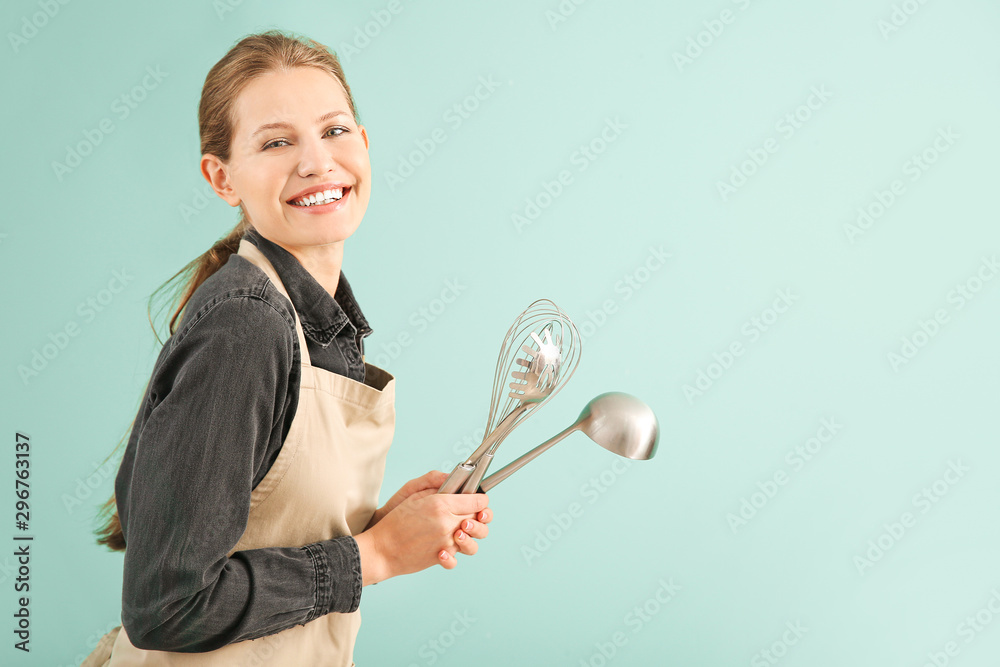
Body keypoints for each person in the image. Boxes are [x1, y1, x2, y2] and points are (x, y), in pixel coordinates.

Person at [82, 29, 492, 667]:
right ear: (222, 178)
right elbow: (167, 603)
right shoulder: (247, 328)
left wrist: (379, 527)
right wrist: (375, 556)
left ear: (364, 142)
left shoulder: (309, 322)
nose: (317, 163)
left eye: (334, 131)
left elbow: (260, 524)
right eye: (276, 142)